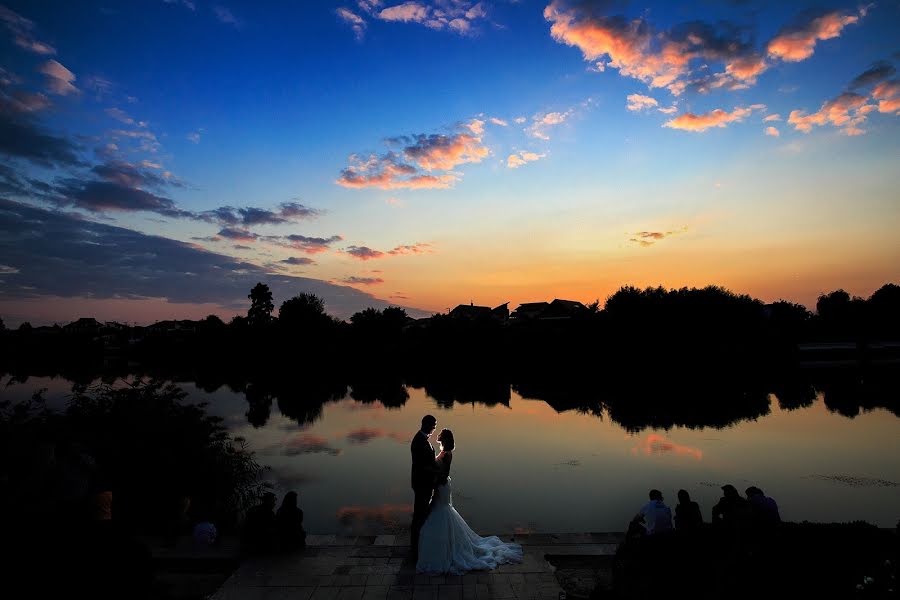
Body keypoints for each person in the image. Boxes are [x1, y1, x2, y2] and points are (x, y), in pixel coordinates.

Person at [416, 428, 523, 575]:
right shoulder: (443, 452)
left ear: (445, 438)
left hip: (442, 487)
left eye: (441, 434)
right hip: (441, 486)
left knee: (439, 514)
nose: (438, 435)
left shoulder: (447, 454)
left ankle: (445, 551)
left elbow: (444, 474)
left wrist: (434, 479)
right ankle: (446, 546)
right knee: (441, 513)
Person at [410, 414, 438, 559]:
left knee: (422, 513)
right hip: (421, 483)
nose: (435, 427)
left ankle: (419, 544)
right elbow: (421, 465)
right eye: (434, 424)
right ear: (426, 424)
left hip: (425, 483)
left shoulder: (424, 439)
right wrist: (437, 471)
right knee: (419, 514)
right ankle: (415, 548)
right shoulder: (419, 441)